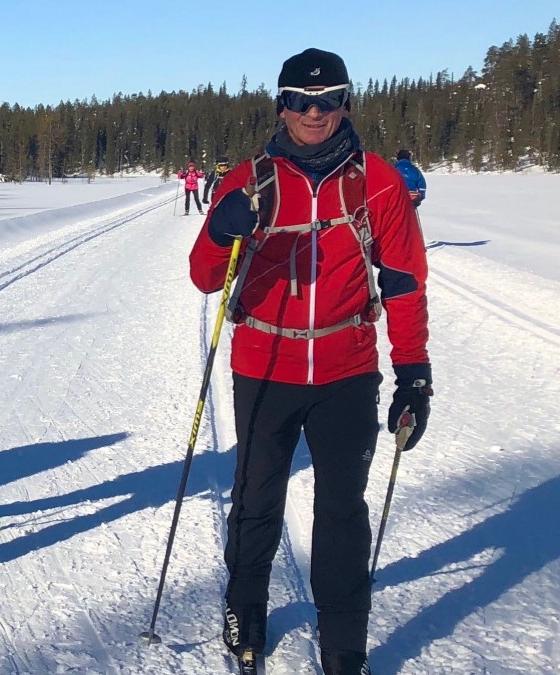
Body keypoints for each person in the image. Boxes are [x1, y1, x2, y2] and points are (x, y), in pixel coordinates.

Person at [189, 48, 431, 675]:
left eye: (326, 101)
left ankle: (344, 640)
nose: (313, 113)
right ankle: (245, 607)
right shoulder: (250, 177)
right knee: (256, 498)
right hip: (264, 363)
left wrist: (413, 372)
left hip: (347, 369)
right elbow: (203, 277)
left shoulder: (377, 180)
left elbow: (403, 283)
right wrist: (221, 230)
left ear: (346, 104)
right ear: (281, 107)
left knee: (343, 511)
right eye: (300, 100)